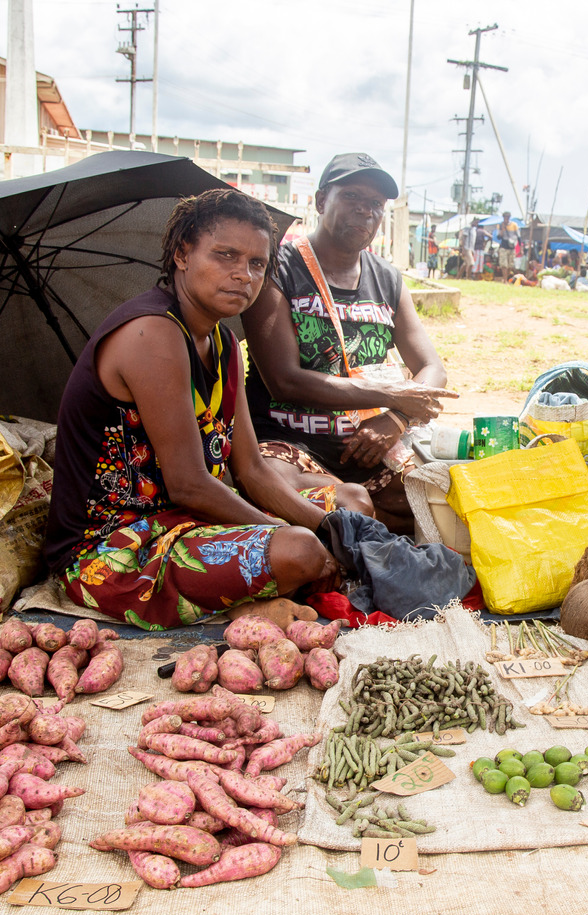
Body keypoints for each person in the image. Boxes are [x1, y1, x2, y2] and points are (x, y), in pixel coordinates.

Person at [44, 189, 340, 630]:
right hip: (116, 551)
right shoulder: (152, 333)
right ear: (183, 254)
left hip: (191, 522)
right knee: (299, 551)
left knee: (347, 504)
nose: (244, 275)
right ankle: (249, 601)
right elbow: (188, 484)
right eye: (226, 256)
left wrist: (336, 532)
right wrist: (285, 533)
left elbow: (253, 471)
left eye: (257, 264)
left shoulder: (223, 344)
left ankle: (252, 596)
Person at [243, 153, 457, 534]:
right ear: (321, 200)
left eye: (375, 204)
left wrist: (396, 418)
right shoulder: (278, 267)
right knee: (321, 502)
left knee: (445, 504)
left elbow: (432, 368)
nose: (365, 211)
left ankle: (364, 526)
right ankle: (357, 525)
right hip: (288, 444)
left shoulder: (387, 279)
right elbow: (284, 380)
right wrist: (391, 394)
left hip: (368, 446)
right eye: (353, 197)